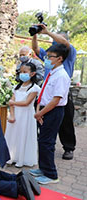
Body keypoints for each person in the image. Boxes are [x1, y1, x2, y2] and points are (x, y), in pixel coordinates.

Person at [32, 24, 77, 160]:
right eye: (53, 42)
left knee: (66, 122)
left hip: (61, 94)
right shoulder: (49, 56)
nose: (55, 42)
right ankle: (44, 145)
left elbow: (64, 43)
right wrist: (34, 34)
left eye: (57, 40)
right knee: (43, 122)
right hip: (46, 93)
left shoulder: (68, 54)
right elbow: (35, 49)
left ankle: (69, 148)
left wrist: (47, 32)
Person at [31, 43, 70, 185]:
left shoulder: (61, 76)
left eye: (50, 57)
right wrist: (38, 111)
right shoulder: (52, 73)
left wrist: (40, 113)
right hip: (44, 110)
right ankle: (43, 169)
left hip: (53, 111)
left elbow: (55, 100)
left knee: (47, 142)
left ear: (59, 58)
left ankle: (51, 174)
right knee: (42, 141)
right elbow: (43, 95)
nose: (47, 59)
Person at [5, 63, 41, 167]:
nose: (22, 74)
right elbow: (11, 101)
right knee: (13, 135)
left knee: (23, 135)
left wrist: (13, 103)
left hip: (26, 115)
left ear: (32, 74)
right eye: (21, 72)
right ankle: (11, 157)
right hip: (16, 114)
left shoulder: (34, 88)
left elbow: (26, 103)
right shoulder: (16, 87)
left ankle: (22, 159)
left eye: (25, 72)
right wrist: (12, 115)